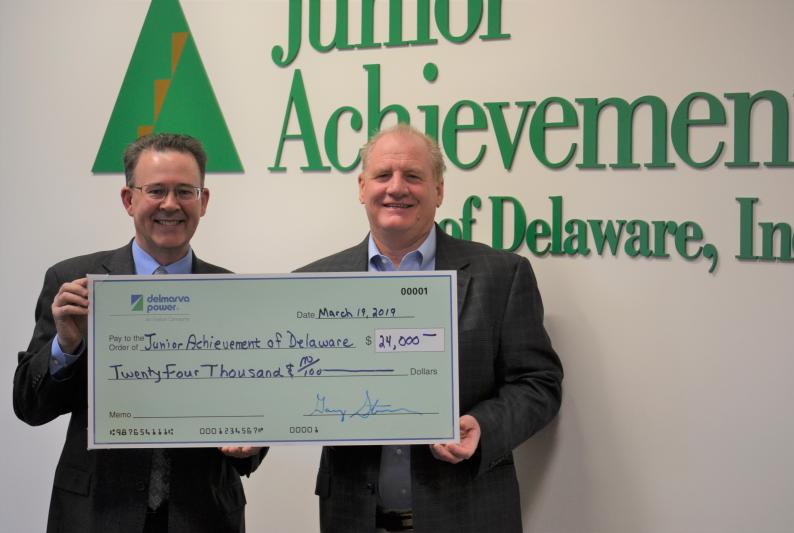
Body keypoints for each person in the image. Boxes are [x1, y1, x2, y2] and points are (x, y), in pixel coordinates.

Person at [297, 124, 564, 532]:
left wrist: (484, 426)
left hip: (469, 516)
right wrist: (252, 429)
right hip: (353, 518)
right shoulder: (313, 284)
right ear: (362, 187)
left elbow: (539, 383)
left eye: (413, 176)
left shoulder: (502, 275)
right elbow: (290, 388)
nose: (396, 188)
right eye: (383, 175)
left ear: (438, 190)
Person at [13, 133, 265, 533]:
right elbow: (30, 406)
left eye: (185, 191)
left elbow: (256, 411)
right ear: (129, 199)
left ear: (203, 201)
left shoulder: (235, 295)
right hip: (95, 514)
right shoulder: (73, 283)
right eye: (156, 191)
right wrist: (67, 344)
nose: (171, 204)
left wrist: (252, 441)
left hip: (204, 516)